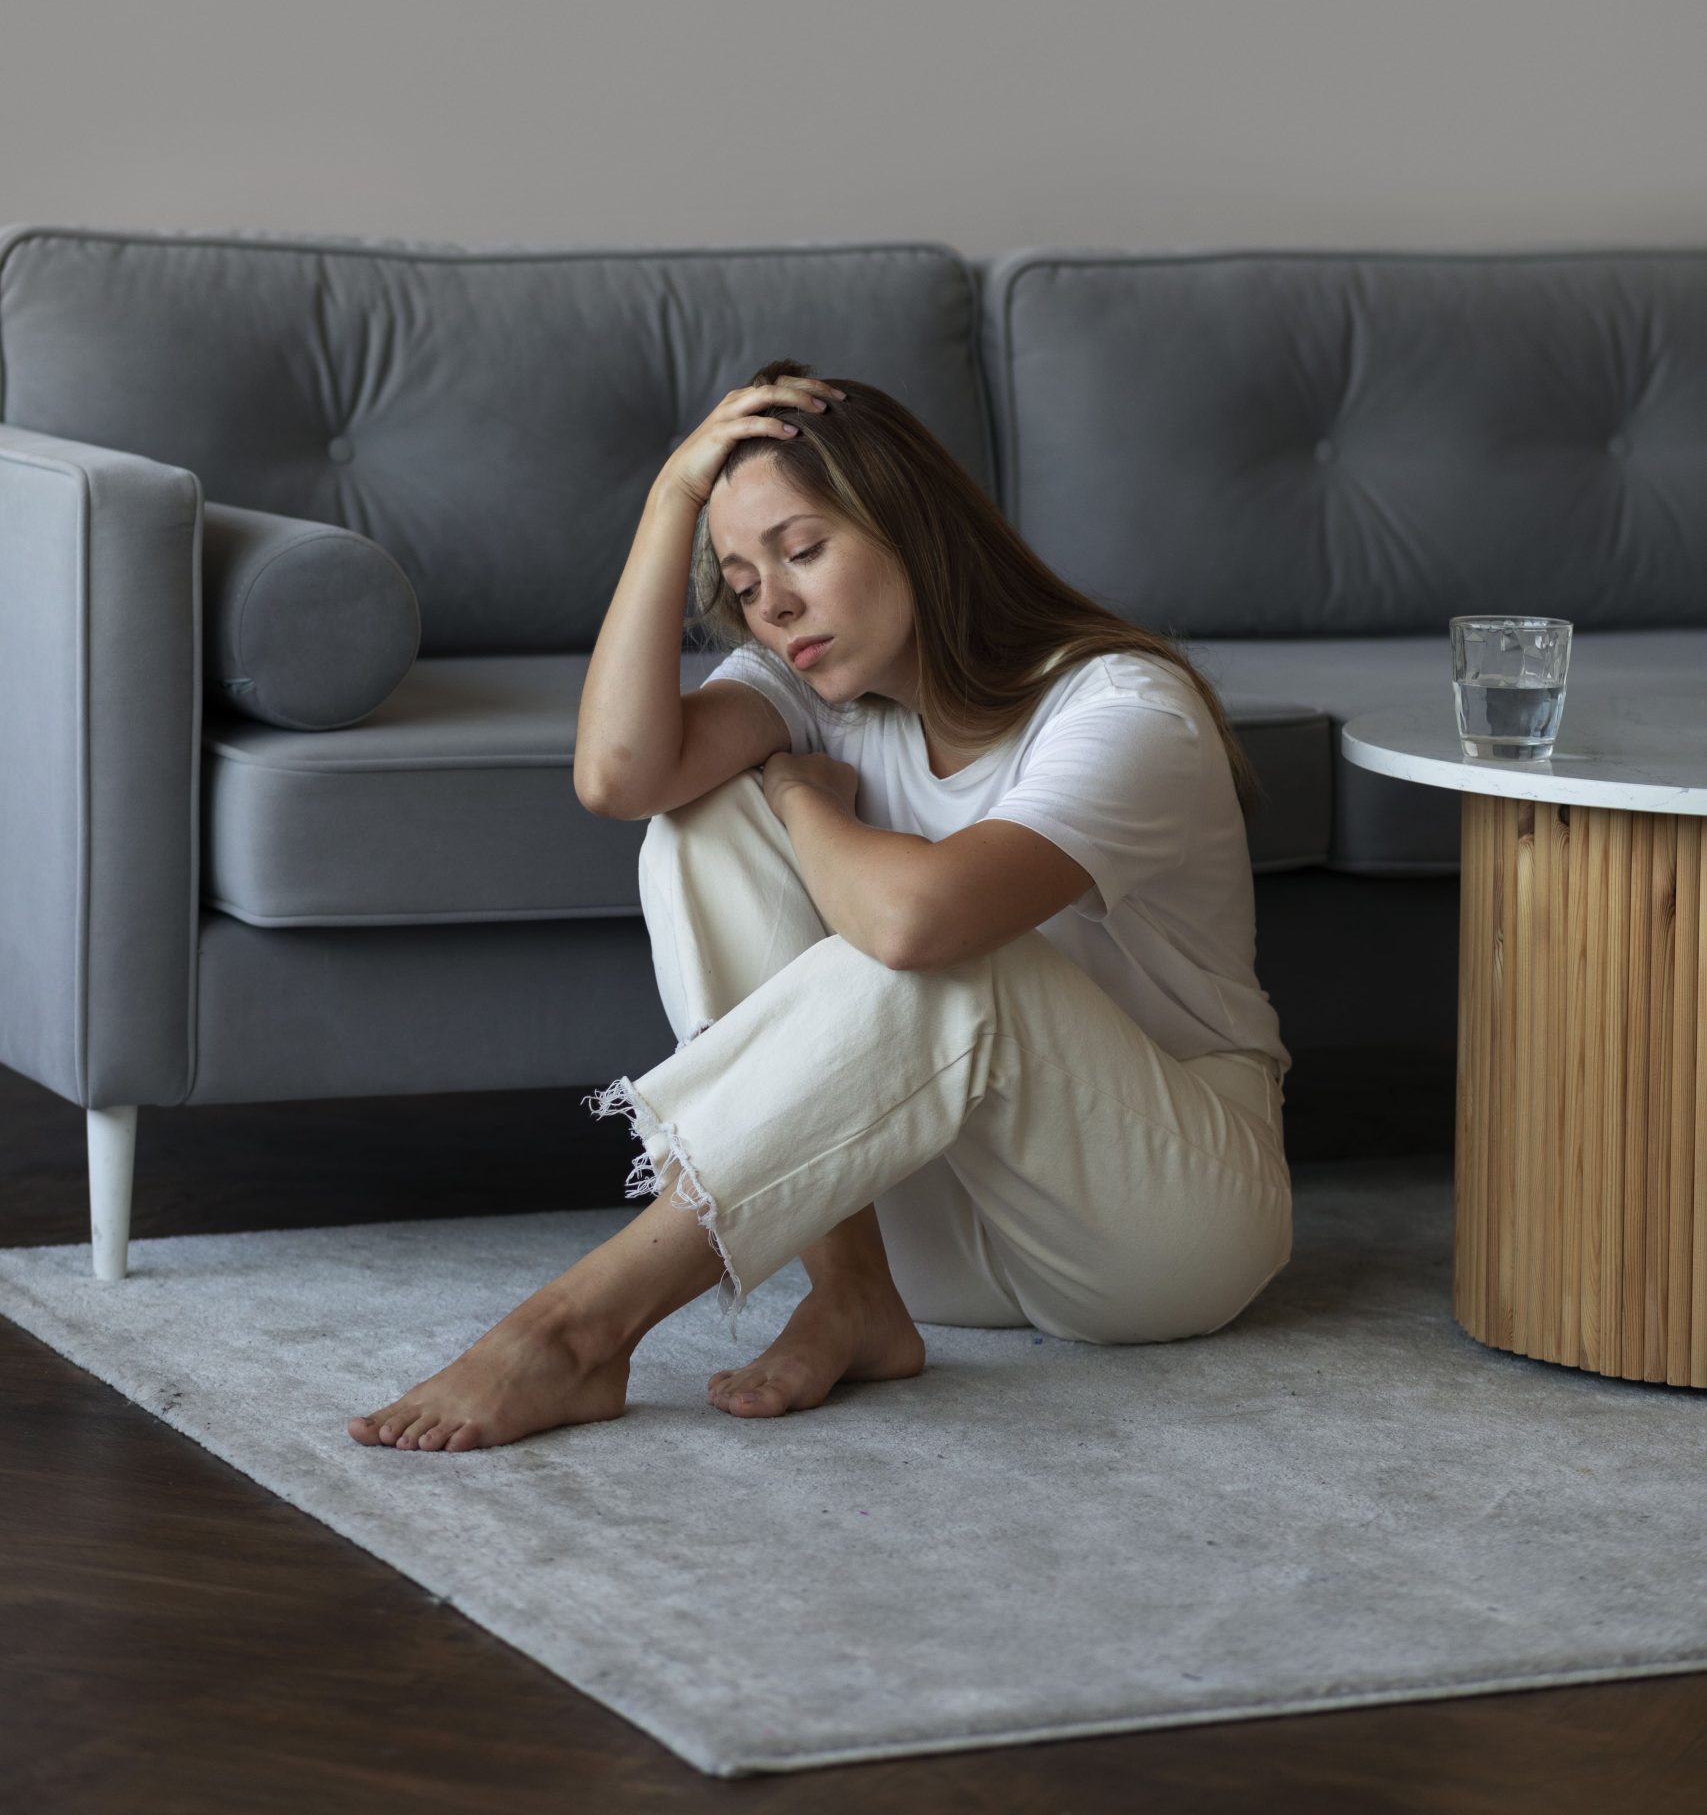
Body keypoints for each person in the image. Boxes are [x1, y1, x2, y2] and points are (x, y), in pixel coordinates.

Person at [348, 361, 1292, 1453]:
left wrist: (798, 790)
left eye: (803, 550)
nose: (777, 603)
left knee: (953, 956)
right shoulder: (807, 685)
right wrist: (670, 502)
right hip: (920, 1218)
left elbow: (914, 928)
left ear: (913, 526)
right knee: (697, 820)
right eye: (746, 583)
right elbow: (618, 776)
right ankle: (853, 1294)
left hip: (1154, 1223)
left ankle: (575, 1327)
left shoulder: (1123, 705)